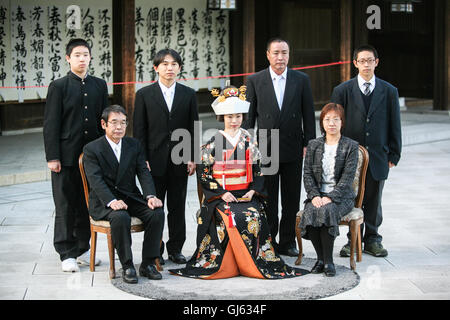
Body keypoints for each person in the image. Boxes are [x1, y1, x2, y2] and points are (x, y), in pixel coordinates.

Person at [170, 86, 308, 279]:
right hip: (221, 196)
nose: (234, 121)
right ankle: (228, 262)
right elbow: (204, 173)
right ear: (222, 118)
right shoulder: (214, 141)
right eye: (229, 117)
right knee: (229, 216)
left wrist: (253, 191)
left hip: (245, 193)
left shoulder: (249, 141)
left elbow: (259, 170)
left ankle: (250, 260)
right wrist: (219, 193)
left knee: (253, 216)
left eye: (237, 116)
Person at [243, 37, 316, 257]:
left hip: (294, 146)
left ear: (289, 54)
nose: (280, 57)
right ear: (268, 55)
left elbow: (308, 114)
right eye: (276, 52)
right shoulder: (255, 80)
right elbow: (249, 118)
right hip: (267, 148)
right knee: (269, 198)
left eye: (284, 52)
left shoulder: (301, 79)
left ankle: (287, 241)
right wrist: (247, 144)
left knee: (292, 198)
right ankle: (269, 240)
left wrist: (309, 144)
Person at [43, 38, 109, 272]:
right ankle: (66, 252)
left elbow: (105, 122)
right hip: (65, 157)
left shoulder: (99, 85)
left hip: (91, 156)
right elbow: (51, 124)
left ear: (90, 57)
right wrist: (53, 156)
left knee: (87, 203)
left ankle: (83, 248)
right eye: (77, 55)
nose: (82, 59)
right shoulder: (58, 86)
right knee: (65, 204)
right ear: (68, 58)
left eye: (85, 54)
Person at [331, 44, 402, 258]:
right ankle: (353, 240)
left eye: (370, 60)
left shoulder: (389, 91)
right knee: (351, 198)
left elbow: (394, 123)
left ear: (376, 62)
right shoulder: (342, 90)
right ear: (355, 63)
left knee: (374, 198)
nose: (366, 65)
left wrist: (394, 153)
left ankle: (373, 239)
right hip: (350, 155)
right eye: (362, 61)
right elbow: (335, 123)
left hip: (378, 154)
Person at [83, 105, 165, 284]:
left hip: (130, 197)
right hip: (104, 201)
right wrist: (111, 201)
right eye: (114, 122)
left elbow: (143, 172)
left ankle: (148, 263)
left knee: (157, 213)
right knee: (120, 217)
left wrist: (150, 196)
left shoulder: (133, 144)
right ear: (104, 124)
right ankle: (127, 265)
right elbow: (95, 180)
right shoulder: (92, 149)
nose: (119, 127)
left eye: (123, 123)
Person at [133, 49, 199, 265]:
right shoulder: (144, 95)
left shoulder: (188, 94)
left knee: (178, 206)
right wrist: (142, 159)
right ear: (156, 68)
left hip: (180, 159)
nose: (169, 68)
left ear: (179, 68)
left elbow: (194, 127)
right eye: (164, 64)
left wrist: (193, 156)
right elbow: (139, 131)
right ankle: (155, 249)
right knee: (155, 206)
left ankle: (176, 248)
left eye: (173, 64)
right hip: (153, 160)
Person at [300, 103, 359, 277]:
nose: (331, 123)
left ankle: (329, 262)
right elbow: (307, 173)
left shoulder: (351, 145)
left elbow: (348, 178)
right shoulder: (313, 145)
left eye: (336, 119)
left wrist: (331, 197)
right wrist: (314, 196)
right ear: (322, 122)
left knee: (327, 210)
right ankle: (321, 260)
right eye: (327, 119)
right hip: (318, 195)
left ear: (342, 122)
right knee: (310, 211)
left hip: (342, 197)